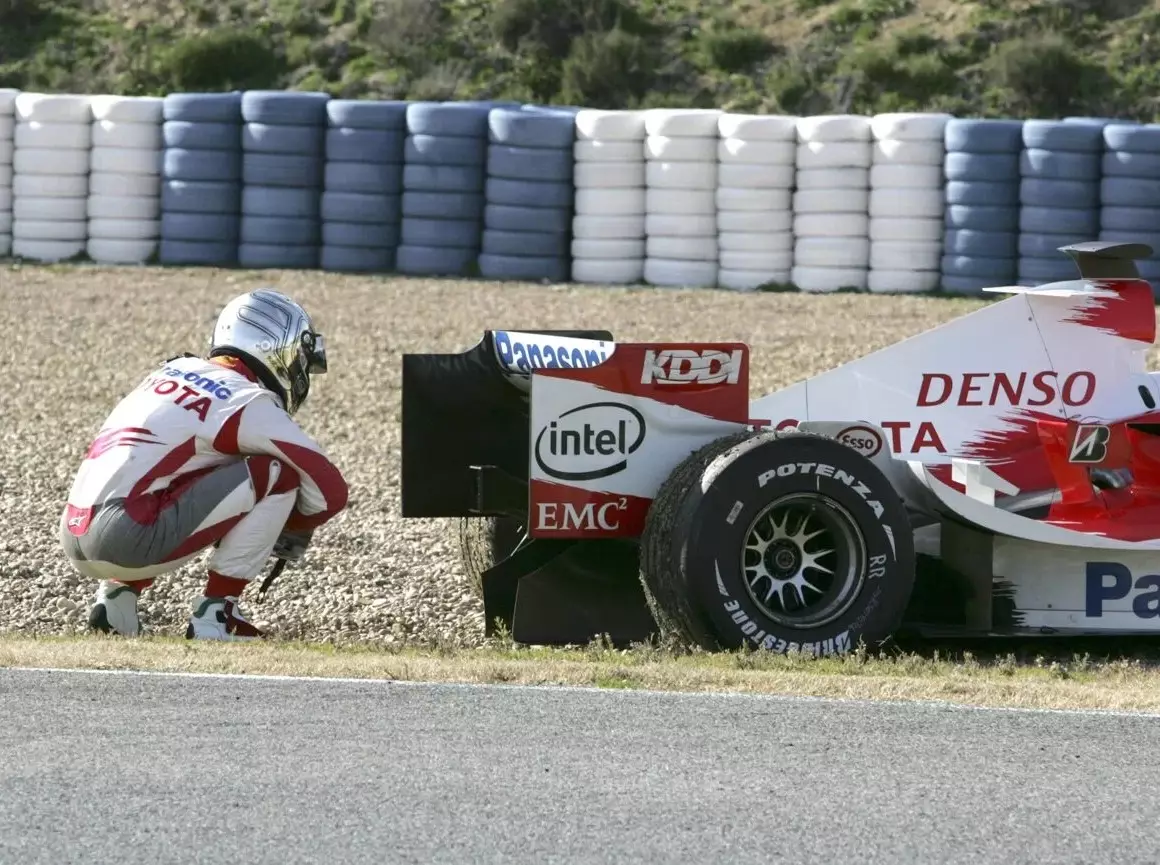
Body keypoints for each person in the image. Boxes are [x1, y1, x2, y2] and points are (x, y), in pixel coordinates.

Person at [59, 289, 349, 641]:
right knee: (279, 473)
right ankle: (217, 614)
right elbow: (330, 490)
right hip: (127, 538)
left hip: (73, 531)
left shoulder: (172, 369)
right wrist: (288, 528)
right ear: (279, 350)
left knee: (183, 466)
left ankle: (117, 598)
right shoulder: (246, 399)